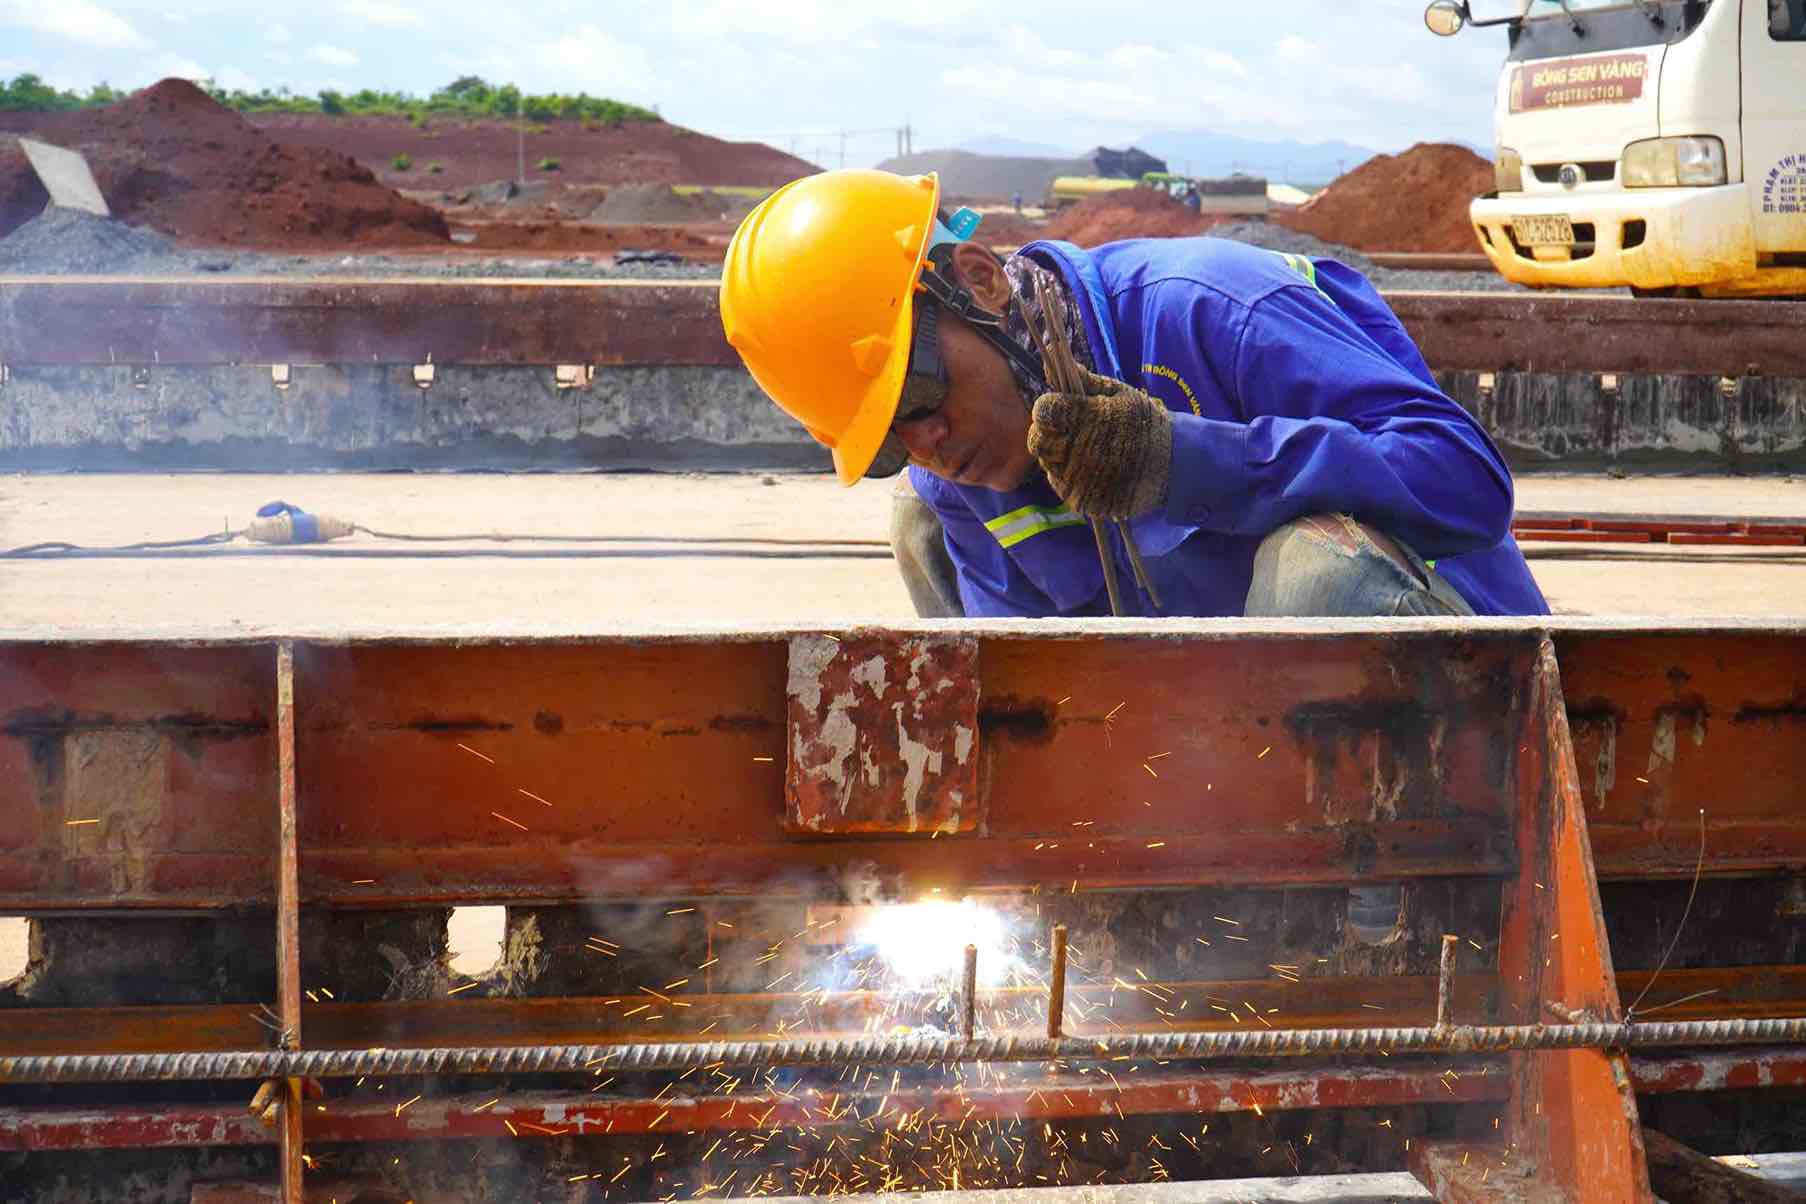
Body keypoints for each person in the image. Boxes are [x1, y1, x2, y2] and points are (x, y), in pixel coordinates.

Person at [720, 168, 1548, 623]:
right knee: (920, 520)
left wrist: (1183, 462)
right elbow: (1036, 701)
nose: (927, 443)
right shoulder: (950, 476)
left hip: (1456, 699)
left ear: (978, 282)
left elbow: (1469, 483)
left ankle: (1386, 905)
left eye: (921, 394)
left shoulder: (1214, 309)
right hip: (1224, 747)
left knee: (1313, 578)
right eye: (892, 441)